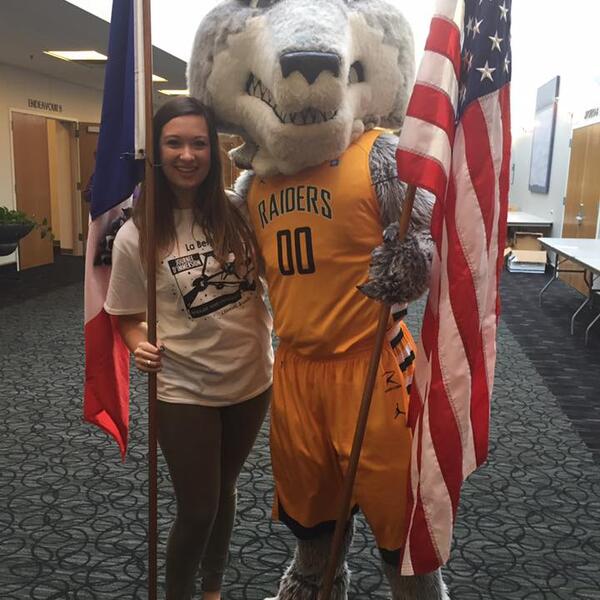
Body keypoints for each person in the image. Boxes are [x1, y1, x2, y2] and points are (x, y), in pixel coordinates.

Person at [104, 96, 274, 600]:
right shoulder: (137, 234)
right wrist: (139, 344)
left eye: (199, 143)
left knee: (224, 490)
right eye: (174, 143)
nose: (187, 155)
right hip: (184, 389)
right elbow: (124, 316)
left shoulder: (242, 211)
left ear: (213, 151)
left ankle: (212, 589)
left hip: (252, 380)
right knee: (198, 507)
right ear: (156, 152)